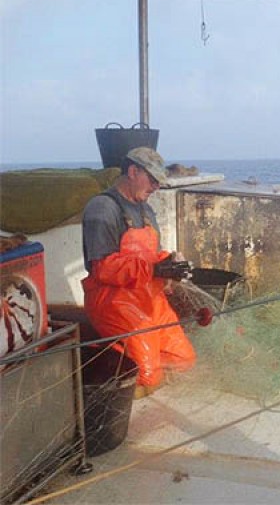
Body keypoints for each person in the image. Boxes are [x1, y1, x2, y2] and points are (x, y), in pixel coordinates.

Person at [82, 147, 195, 398]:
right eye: (152, 180)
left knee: (184, 359)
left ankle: (137, 357)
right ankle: (119, 359)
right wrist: (154, 268)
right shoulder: (102, 209)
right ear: (133, 171)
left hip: (149, 299)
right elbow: (103, 269)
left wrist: (171, 261)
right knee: (147, 374)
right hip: (115, 301)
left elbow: (152, 254)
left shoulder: (146, 209)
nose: (156, 187)